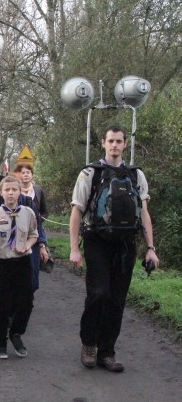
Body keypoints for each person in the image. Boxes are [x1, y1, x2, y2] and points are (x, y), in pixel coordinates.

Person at [70, 125, 159, 372]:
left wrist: (150, 247)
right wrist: (74, 248)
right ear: (103, 142)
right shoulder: (91, 173)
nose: (115, 145)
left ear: (125, 144)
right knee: (98, 293)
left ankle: (107, 352)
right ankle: (89, 344)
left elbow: (144, 213)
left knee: (117, 299)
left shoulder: (135, 175)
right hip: (96, 241)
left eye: (119, 141)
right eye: (111, 141)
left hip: (125, 245)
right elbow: (76, 211)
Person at [0, 176, 38, 359]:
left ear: (20, 192)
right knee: (2, 305)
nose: (10, 193)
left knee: (26, 303)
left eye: (14, 190)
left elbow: (33, 234)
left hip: (23, 262)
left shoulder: (28, 212)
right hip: (2, 264)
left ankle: (16, 333)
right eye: (7, 190)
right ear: (1, 193)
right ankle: (0, 342)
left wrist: (28, 245)